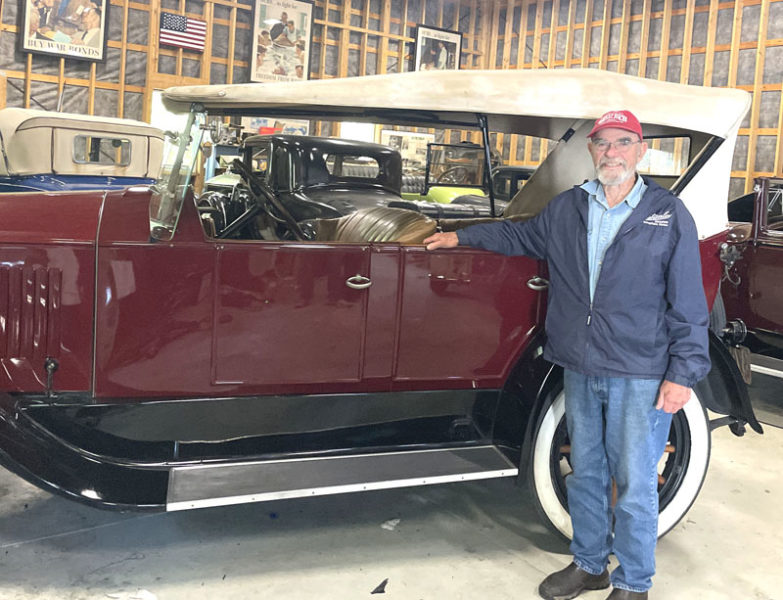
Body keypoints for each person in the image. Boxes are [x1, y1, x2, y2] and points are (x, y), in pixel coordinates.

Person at [423, 110, 710, 600]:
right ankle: (589, 564)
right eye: (603, 144)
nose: (612, 152)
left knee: (635, 482)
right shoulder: (569, 206)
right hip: (579, 364)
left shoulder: (667, 214)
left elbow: (687, 300)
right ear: (592, 150)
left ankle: (634, 582)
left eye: (623, 142)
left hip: (639, 370)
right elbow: (519, 235)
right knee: (588, 472)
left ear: (641, 151)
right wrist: (462, 235)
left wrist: (683, 372)